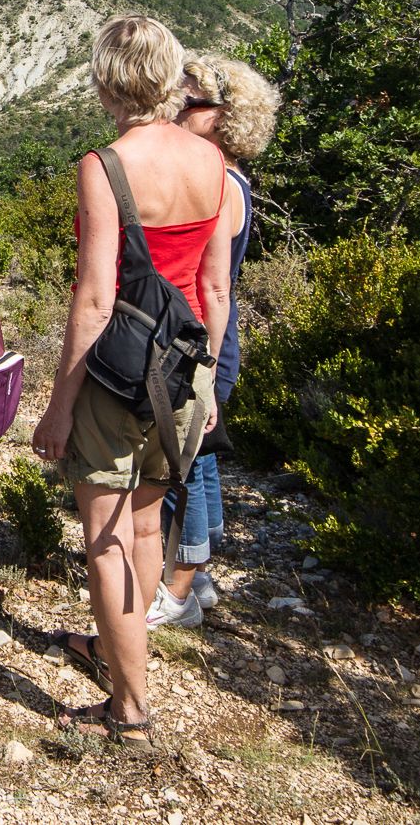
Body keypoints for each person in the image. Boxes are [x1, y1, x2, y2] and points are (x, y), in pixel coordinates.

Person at [28, 15, 233, 746]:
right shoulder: (212, 162)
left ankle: (130, 707)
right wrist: (203, 383)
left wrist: (58, 407)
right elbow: (215, 289)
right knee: (147, 523)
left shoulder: (105, 164)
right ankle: (121, 657)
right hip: (181, 373)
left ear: (108, 81)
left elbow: (93, 297)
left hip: (116, 375)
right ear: (171, 76)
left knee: (105, 537)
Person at [146, 53, 279, 628]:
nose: (178, 108)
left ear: (225, 117)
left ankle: (177, 593)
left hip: (201, 339)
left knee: (184, 467)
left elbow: (213, 283)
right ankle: (197, 577)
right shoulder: (230, 179)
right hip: (212, 339)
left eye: (191, 101)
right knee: (197, 457)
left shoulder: (219, 182)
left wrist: (206, 362)